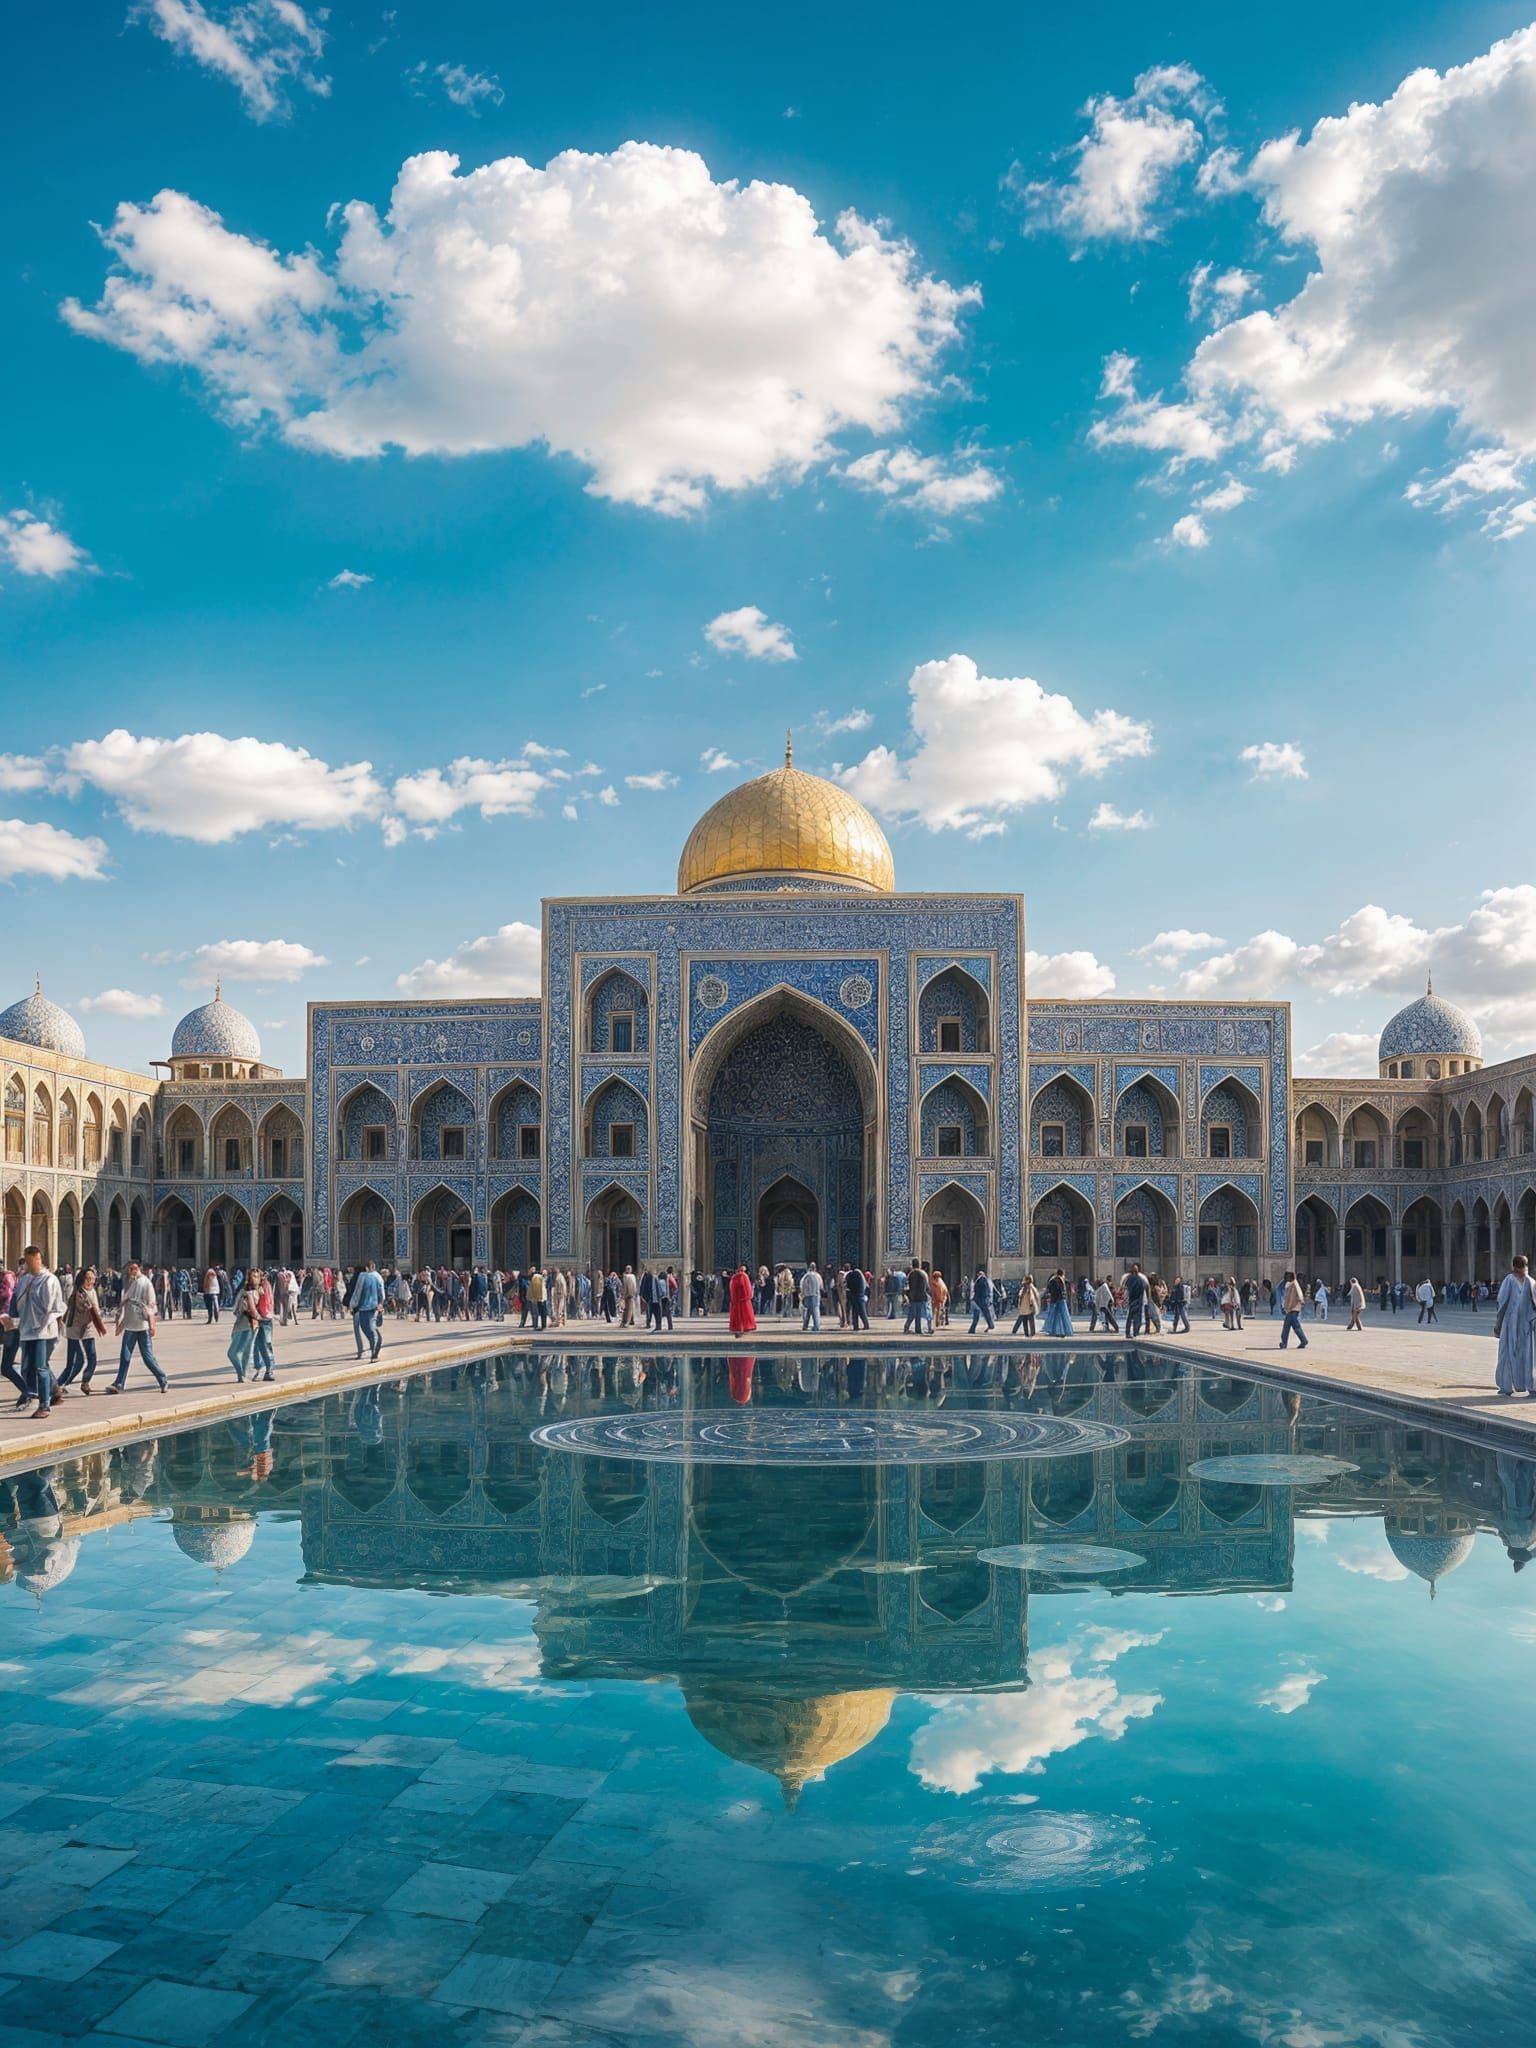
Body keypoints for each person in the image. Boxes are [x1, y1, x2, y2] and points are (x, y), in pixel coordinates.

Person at [6, 1245, 67, 1417]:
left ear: (39, 1260)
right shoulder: (24, 1280)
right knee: (27, 1367)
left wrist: (48, 1323)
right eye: (28, 1261)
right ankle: (42, 1392)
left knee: (41, 1366)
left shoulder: (49, 1280)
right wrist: (13, 1320)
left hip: (44, 1331)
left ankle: (44, 1405)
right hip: (26, 1330)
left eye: (34, 1260)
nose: (31, 1264)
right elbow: (17, 1304)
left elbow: (56, 1307)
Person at [110, 1259, 168, 1396]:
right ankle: (119, 1383)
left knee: (148, 1357)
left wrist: (152, 1325)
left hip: (142, 1326)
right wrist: (120, 1322)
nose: (131, 1271)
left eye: (134, 1268)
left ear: (139, 1269)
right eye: (130, 1269)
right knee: (125, 1355)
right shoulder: (129, 1283)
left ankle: (162, 1379)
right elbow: (124, 1304)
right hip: (130, 1325)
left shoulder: (145, 1283)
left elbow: (151, 1304)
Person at [57, 1265, 107, 1394]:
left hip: (87, 1330)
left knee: (91, 1359)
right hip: (76, 1329)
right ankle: (58, 1385)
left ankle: (84, 1382)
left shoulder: (91, 1291)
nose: (91, 1281)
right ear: (83, 1279)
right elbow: (86, 1311)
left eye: (93, 1278)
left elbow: (94, 1311)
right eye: (88, 1278)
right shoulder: (79, 1294)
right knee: (74, 1362)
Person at [1494, 1253, 1536, 1399]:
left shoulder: (1510, 1280)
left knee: (1507, 1353)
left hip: (1512, 1323)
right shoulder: (1531, 1281)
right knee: (1528, 1355)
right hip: (1526, 1325)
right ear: (1526, 1265)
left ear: (1513, 1266)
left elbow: (1502, 1303)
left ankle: (1506, 1387)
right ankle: (1531, 1386)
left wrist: (1497, 1325)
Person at [351, 1259, 384, 1361]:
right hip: (370, 1307)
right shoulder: (377, 1277)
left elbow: (357, 1292)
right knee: (369, 1329)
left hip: (367, 1308)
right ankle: (375, 1347)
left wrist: (353, 1305)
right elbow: (381, 1293)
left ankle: (374, 1353)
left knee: (368, 1329)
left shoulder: (363, 1277)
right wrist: (380, 1303)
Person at [1278, 1270, 1308, 1349]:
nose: (1286, 1278)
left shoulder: (1294, 1283)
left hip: (1294, 1308)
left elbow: (1299, 1294)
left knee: (1287, 1326)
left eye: (1288, 1276)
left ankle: (1285, 1343)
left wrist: (1301, 1301)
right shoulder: (1290, 1284)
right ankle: (1303, 1340)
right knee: (1294, 1326)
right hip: (1291, 1308)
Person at [1042, 1268, 1074, 1338]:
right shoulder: (1064, 1281)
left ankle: (1054, 1330)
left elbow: (1050, 1290)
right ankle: (1065, 1331)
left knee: (1054, 1316)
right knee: (1064, 1316)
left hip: (1055, 1300)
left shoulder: (1053, 1280)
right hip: (1062, 1300)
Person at [728, 1262, 757, 1336]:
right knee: (745, 1314)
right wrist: (748, 1296)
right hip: (744, 1299)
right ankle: (745, 1327)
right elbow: (746, 1288)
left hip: (736, 1299)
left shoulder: (734, 1277)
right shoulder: (744, 1276)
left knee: (737, 1315)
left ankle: (738, 1327)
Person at [903, 1262, 929, 1335]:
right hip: (921, 1296)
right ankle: (918, 1329)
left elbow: (906, 1286)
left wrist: (907, 1295)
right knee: (919, 1314)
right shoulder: (923, 1273)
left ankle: (906, 1327)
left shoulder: (910, 1274)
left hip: (912, 1297)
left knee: (912, 1313)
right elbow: (927, 1285)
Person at [969, 1266, 996, 1335]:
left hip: (978, 1300)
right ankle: (990, 1325)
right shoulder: (983, 1280)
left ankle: (972, 1329)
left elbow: (984, 1291)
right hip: (979, 1300)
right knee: (985, 1313)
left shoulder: (981, 1280)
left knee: (979, 1315)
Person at [1012, 1273, 1039, 1337]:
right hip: (1028, 1306)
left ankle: (1026, 1332)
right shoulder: (1029, 1287)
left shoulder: (1026, 1287)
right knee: (1030, 1320)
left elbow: (1023, 1296)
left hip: (1025, 1306)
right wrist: (1032, 1304)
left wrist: (1021, 1304)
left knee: (1025, 1320)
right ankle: (1031, 1332)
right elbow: (1032, 1296)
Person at [800, 1262, 823, 1332]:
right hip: (816, 1295)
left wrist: (802, 1295)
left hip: (807, 1295)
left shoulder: (806, 1276)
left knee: (809, 1310)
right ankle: (816, 1326)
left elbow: (802, 1285)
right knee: (815, 1310)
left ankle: (809, 1325)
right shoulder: (818, 1276)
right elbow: (821, 1286)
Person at [847, 1263, 870, 1332]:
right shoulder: (860, 1275)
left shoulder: (851, 1275)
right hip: (860, 1296)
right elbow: (865, 1286)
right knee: (862, 1312)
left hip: (853, 1295)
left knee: (855, 1312)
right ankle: (866, 1325)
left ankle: (856, 1326)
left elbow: (848, 1285)